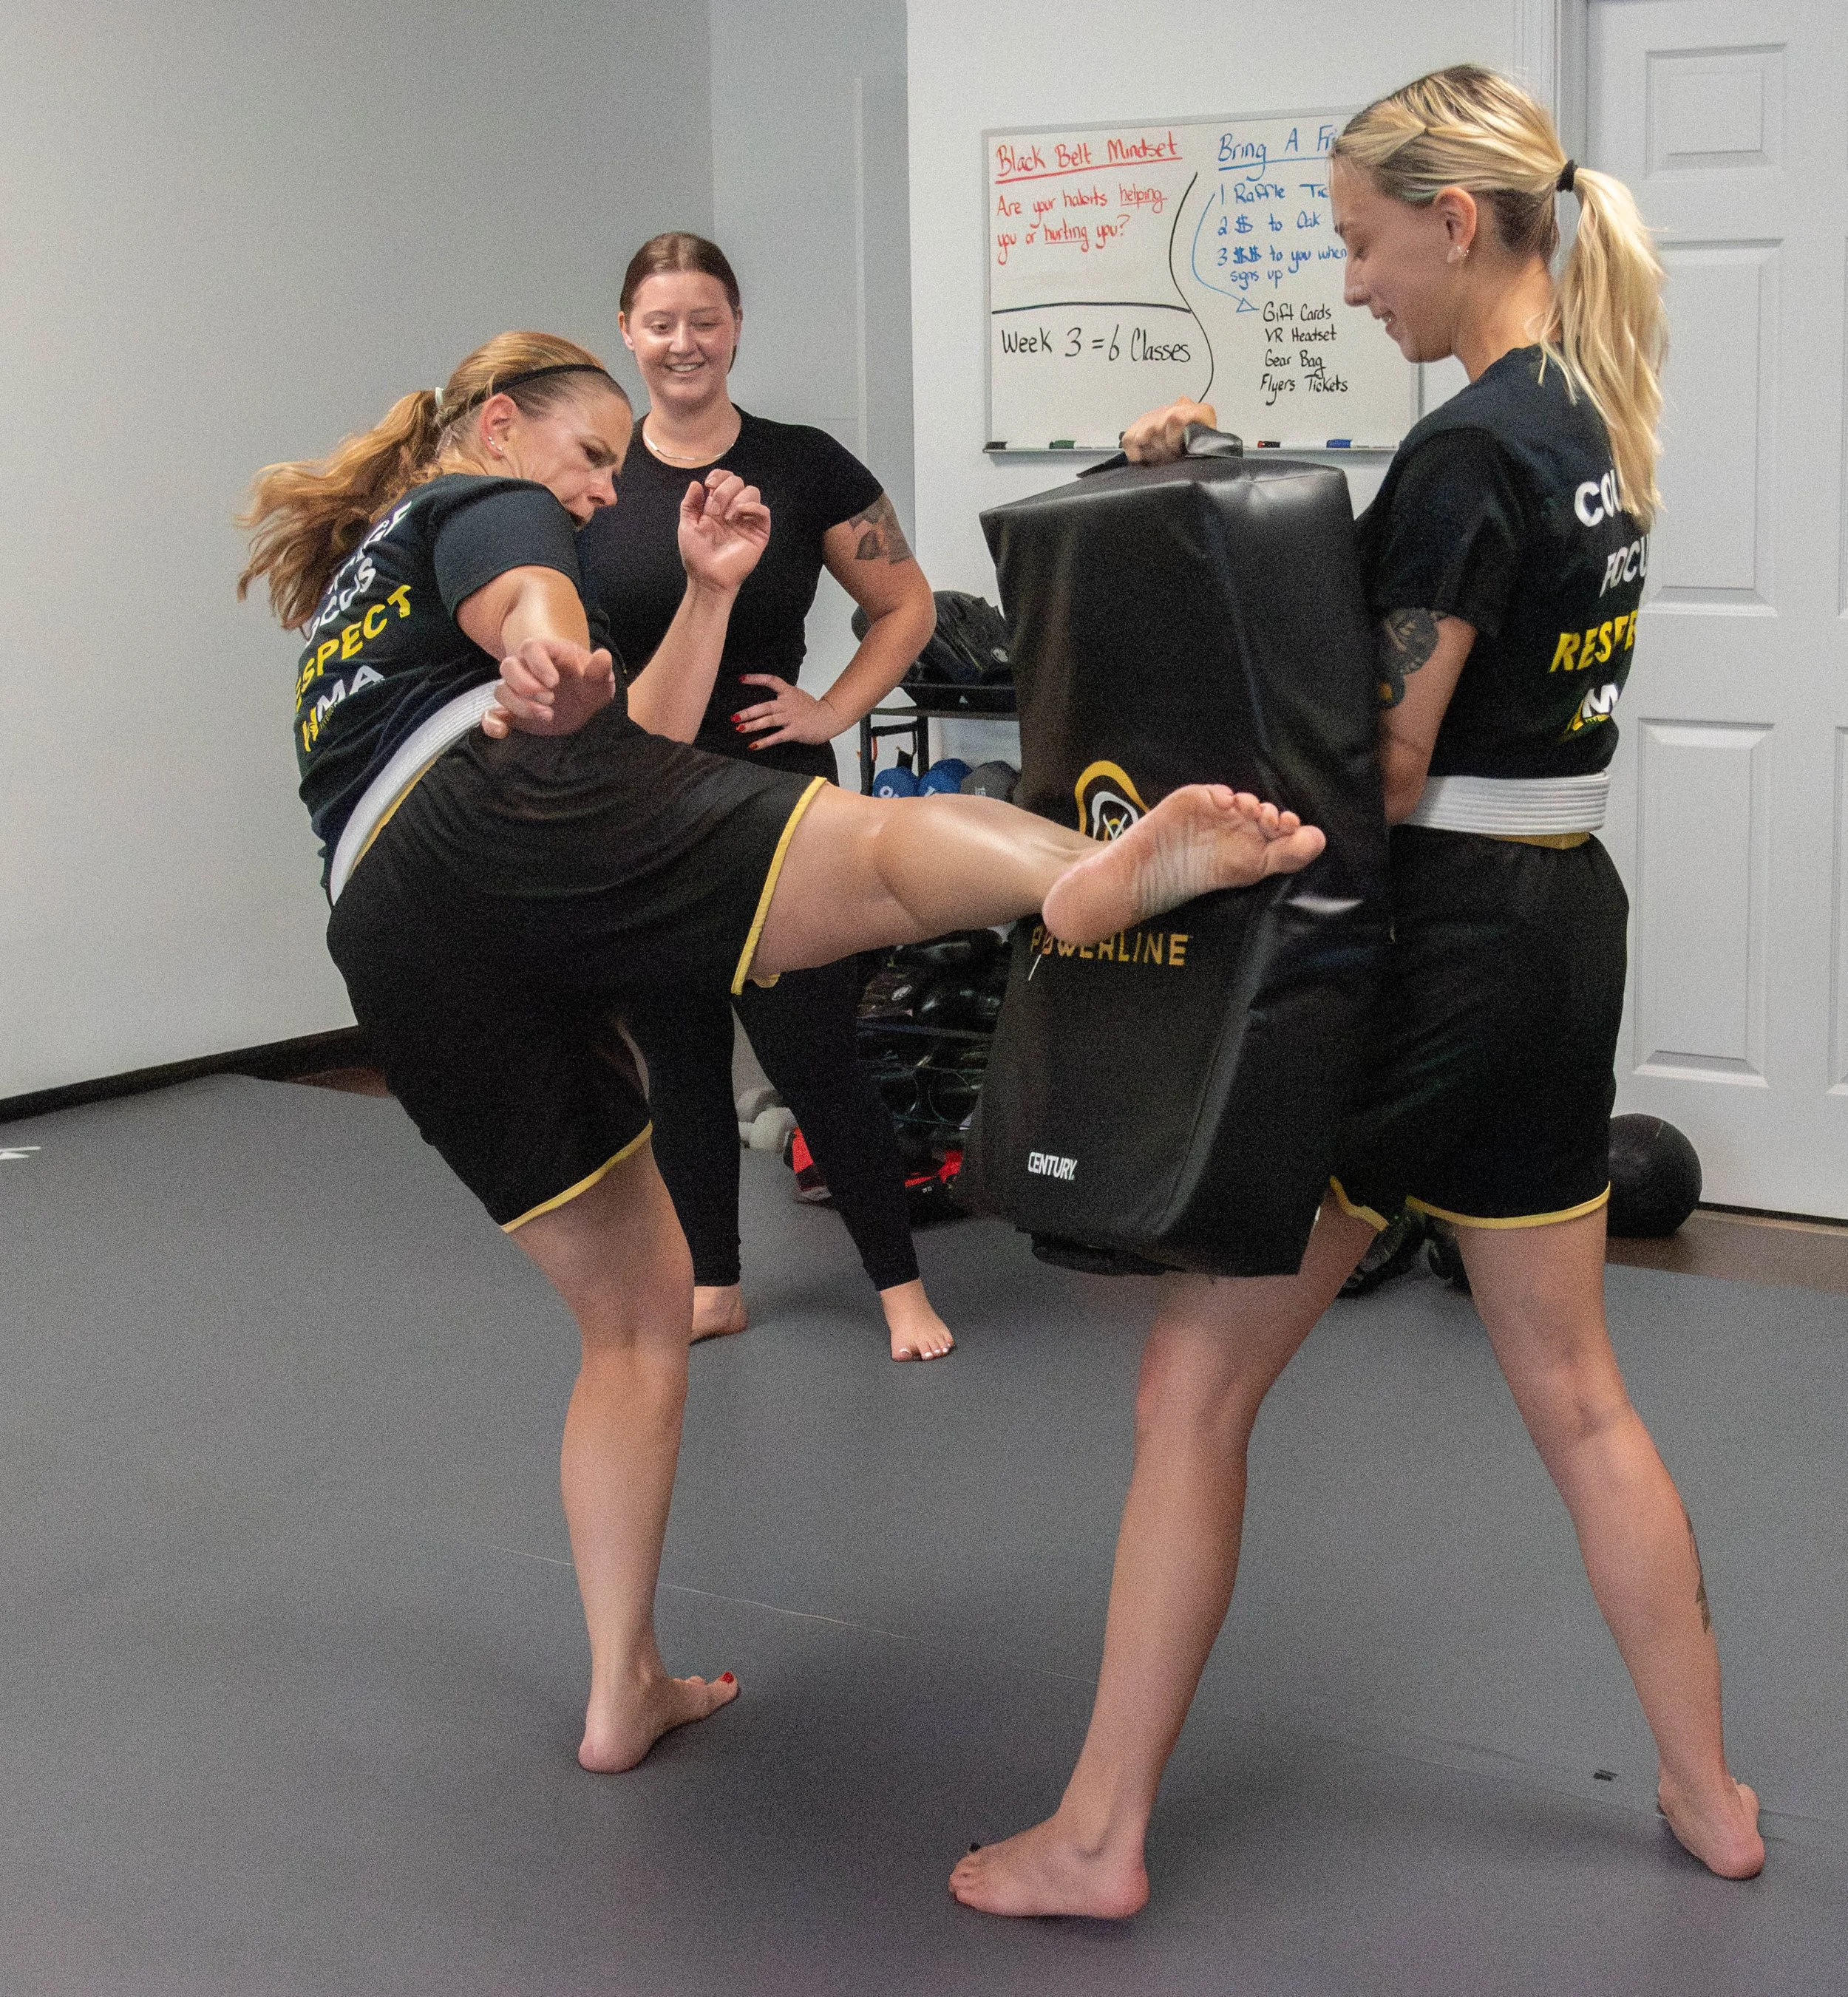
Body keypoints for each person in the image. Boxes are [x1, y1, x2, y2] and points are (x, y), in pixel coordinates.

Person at [238, 329, 1325, 1778]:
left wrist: (688, 599)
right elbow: (534, 605)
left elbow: (634, 743)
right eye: (587, 460)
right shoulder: (472, 501)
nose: (594, 493)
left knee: (633, 1319)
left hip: (387, 928)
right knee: (865, 858)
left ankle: (622, 1686)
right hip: (497, 801)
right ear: (498, 424)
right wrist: (549, 648)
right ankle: (1074, 873)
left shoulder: (357, 598)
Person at [950, 65, 1764, 1919]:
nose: (1347, 284)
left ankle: (1095, 1838)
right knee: (1572, 1387)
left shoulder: (1467, 445)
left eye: (1355, 241)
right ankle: (1710, 1794)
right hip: (1558, 924)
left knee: (1187, 1390)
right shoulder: (1586, 412)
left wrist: (1184, 548)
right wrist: (1211, 493)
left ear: (1451, 221)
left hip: (1435, 947)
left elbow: (1375, 759)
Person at [580, 232, 951, 1361]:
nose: (683, 342)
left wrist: (831, 712)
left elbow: (907, 604)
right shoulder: (599, 477)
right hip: (642, 799)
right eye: (660, 322)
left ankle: (900, 1290)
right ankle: (714, 1283)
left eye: (704, 318)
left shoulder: (803, 463)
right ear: (628, 335)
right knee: (677, 1057)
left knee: (811, 1050)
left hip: (772, 799)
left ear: (736, 327)